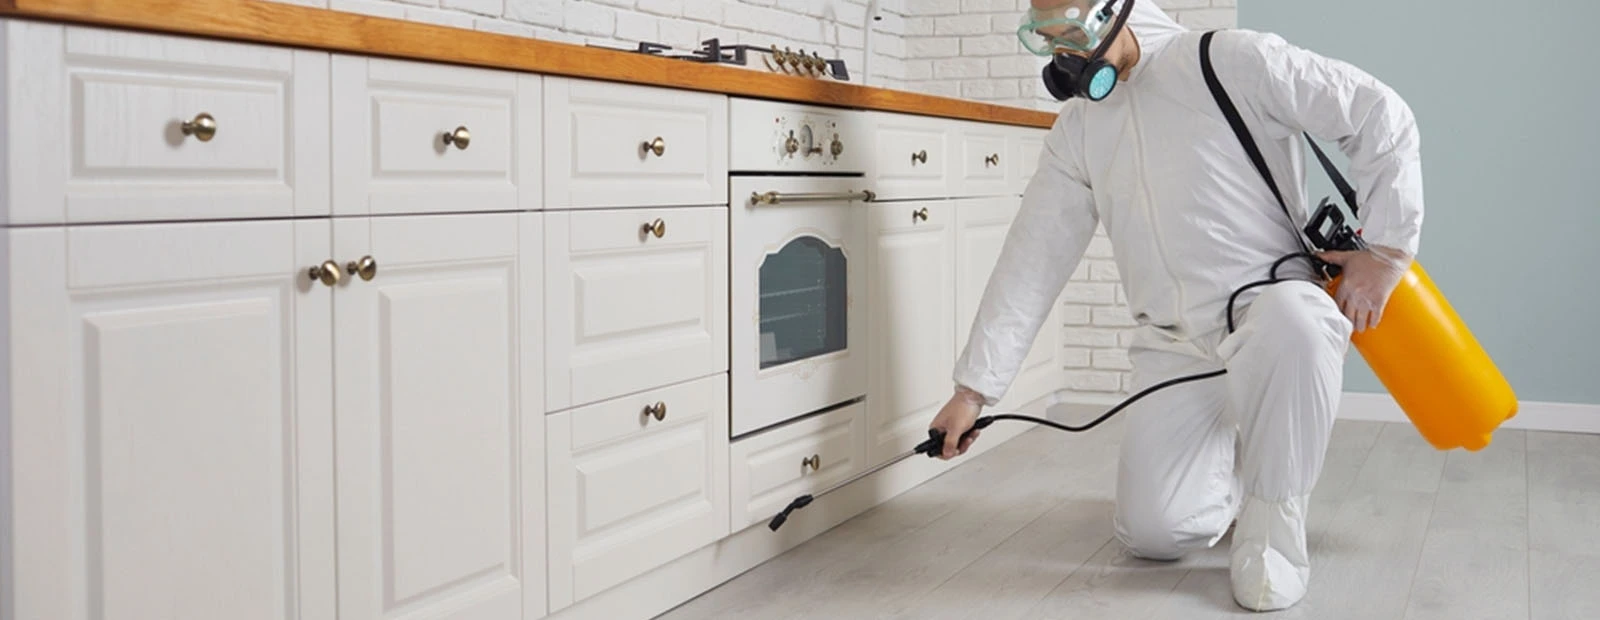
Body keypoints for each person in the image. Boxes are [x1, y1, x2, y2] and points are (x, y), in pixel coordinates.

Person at [927, 0, 1421, 612]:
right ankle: (1246, 461)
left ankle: (1275, 528)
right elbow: (1034, 254)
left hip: (1269, 308)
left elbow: (1379, 112)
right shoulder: (1080, 128)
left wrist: (1388, 251)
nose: (1066, 57)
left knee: (1299, 323)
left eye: (1073, 34)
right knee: (1155, 534)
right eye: (1047, 39)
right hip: (1174, 342)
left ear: (1115, 11)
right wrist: (974, 391)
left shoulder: (1231, 62)